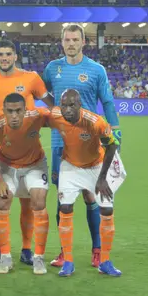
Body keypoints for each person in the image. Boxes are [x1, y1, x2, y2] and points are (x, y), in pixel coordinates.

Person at [42, 23, 121, 268]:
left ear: (83, 42)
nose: (71, 43)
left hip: (92, 141)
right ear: (62, 42)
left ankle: (97, 250)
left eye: (75, 39)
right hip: (60, 141)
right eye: (67, 39)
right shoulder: (52, 68)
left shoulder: (96, 70)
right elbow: (44, 94)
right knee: (63, 197)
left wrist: (116, 134)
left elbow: (107, 102)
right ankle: (65, 252)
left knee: (91, 196)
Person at [0, 39, 54, 266]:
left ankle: (26, 249)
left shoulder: (31, 78)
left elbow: (49, 103)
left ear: (15, 57)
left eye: (8, 54)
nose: (4, 58)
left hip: (27, 142)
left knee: (27, 202)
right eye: (0, 54)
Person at [51, 89, 125, 277]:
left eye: (72, 105)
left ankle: (105, 262)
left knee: (107, 210)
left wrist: (101, 178)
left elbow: (112, 145)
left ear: (80, 105)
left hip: (96, 166)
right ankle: (68, 261)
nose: (67, 110)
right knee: (65, 207)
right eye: (64, 105)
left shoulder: (95, 122)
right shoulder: (55, 116)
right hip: (71, 166)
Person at [0, 93, 52, 275]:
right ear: (3, 110)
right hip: (8, 166)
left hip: (35, 165)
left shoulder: (37, 116)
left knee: (38, 201)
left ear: (25, 110)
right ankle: (5, 257)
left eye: (18, 111)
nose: (14, 115)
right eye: (10, 111)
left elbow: (60, 118)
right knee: (2, 202)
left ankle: (38, 257)